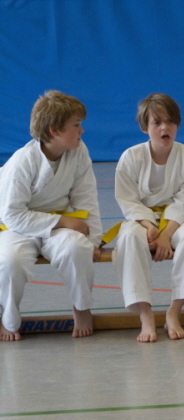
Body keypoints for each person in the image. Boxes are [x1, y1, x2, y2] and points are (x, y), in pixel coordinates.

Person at [0, 90, 102, 341]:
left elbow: (87, 199)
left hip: (56, 226)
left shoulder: (78, 151)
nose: (82, 130)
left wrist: (94, 241)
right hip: (17, 227)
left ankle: (81, 307)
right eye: (76, 125)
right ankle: (8, 317)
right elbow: (12, 215)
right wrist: (62, 220)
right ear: (55, 130)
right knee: (10, 260)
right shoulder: (22, 161)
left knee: (77, 247)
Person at [113, 93, 184, 342]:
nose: (164, 128)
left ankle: (174, 312)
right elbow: (128, 200)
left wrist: (165, 235)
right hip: (141, 220)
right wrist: (149, 226)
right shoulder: (131, 157)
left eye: (170, 121)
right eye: (157, 122)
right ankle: (145, 314)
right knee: (128, 239)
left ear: (177, 124)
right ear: (144, 127)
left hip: (175, 222)